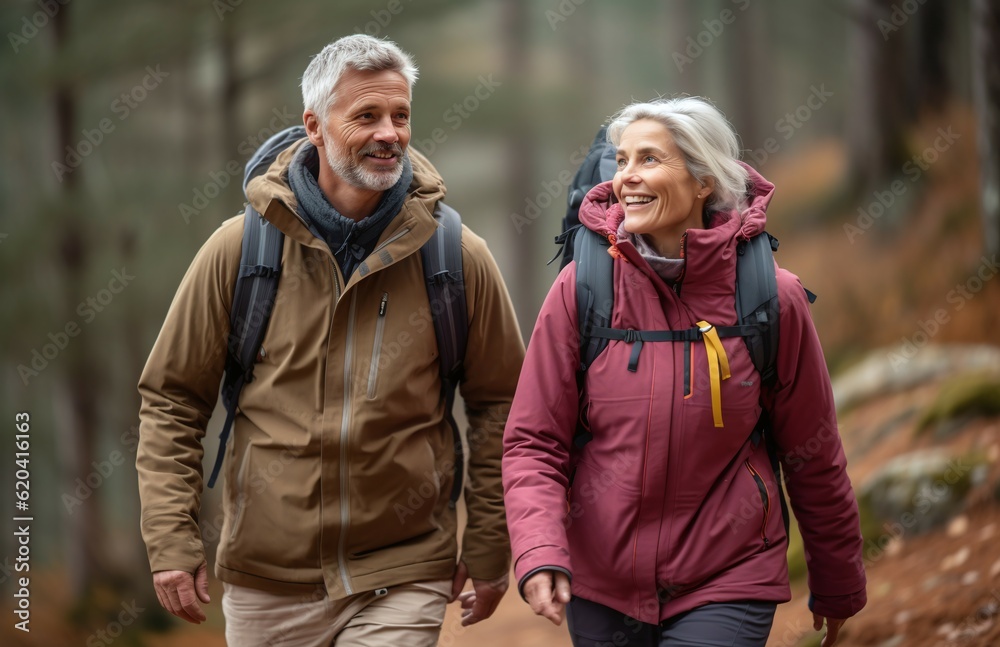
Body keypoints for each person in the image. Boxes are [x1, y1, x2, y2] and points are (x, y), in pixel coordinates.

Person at [137, 34, 524, 646]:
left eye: (401, 115)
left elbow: (501, 404)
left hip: (403, 570)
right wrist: (170, 538)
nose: (390, 133)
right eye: (366, 115)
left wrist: (486, 541)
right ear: (314, 126)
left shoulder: (453, 256)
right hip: (267, 578)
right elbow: (172, 399)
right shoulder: (241, 250)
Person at [502, 97, 866, 647]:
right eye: (622, 161)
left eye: (649, 159)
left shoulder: (771, 298)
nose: (627, 178)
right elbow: (533, 441)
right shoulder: (582, 291)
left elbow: (812, 449)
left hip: (729, 573)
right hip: (603, 583)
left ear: (702, 181)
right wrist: (539, 550)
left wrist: (838, 580)